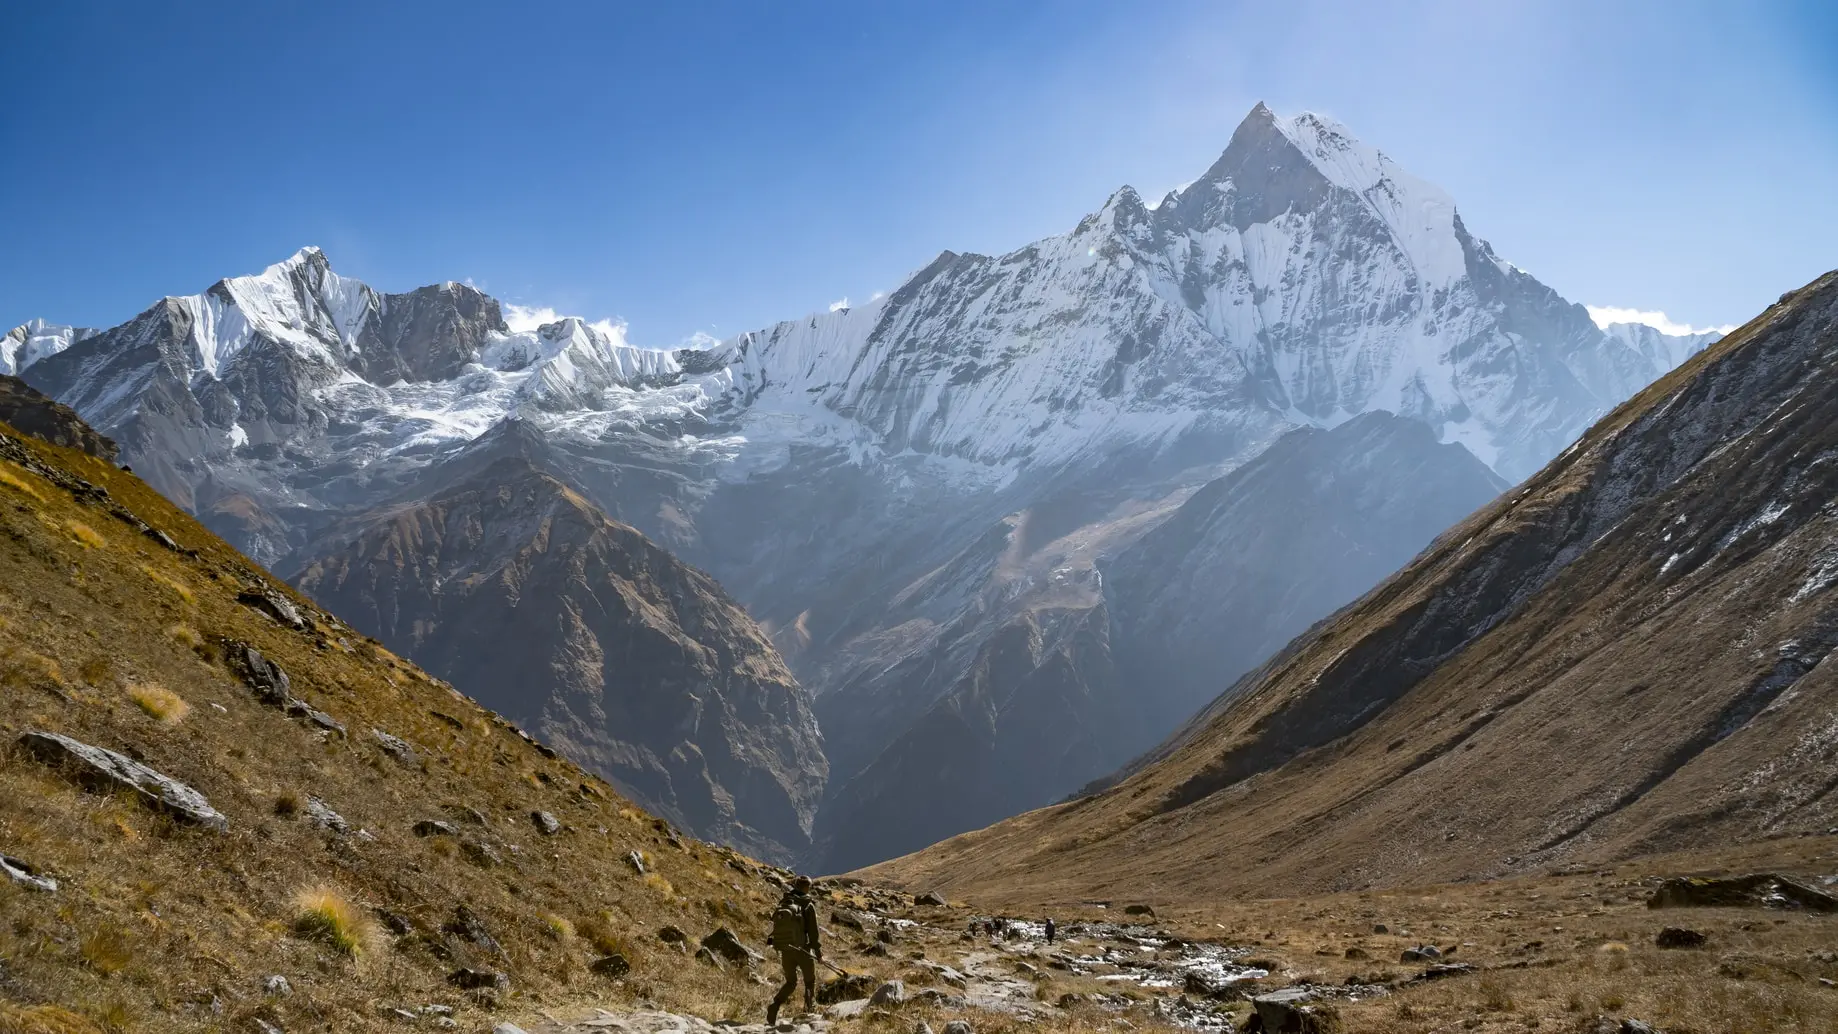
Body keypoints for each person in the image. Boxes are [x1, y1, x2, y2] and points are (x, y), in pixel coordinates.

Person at [765, 876, 821, 1025]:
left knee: (791, 982)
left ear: (796, 886)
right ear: (807, 888)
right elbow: (814, 933)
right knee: (810, 981)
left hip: (786, 949)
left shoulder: (785, 902)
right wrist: (818, 953)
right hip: (803, 950)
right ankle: (809, 1011)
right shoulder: (807, 905)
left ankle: (775, 1005)